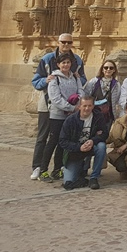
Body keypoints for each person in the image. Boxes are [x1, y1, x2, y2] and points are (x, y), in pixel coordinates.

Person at [30, 33, 86, 181]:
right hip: (49, 103)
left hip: (70, 108)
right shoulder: (47, 59)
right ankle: (38, 167)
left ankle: (57, 168)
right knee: (44, 137)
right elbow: (36, 81)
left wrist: (77, 100)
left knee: (62, 140)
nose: (66, 45)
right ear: (58, 42)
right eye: (63, 42)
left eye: (69, 42)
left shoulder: (77, 60)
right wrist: (45, 80)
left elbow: (82, 79)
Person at [40, 53, 84, 183]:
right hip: (57, 115)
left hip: (71, 116)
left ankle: (57, 169)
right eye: (63, 63)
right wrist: (71, 108)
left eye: (68, 62)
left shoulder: (75, 78)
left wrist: (77, 104)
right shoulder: (54, 79)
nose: (66, 65)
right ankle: (43, 170)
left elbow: (81, 91)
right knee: (52, 142)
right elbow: (55, 98)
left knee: (62, 143)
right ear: (58, 64)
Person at [58, 95, 108, 190]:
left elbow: (105, 133)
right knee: (69, 182)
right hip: (76, 150)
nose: (87, 108)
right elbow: (62, 141)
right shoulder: (70, 120)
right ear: (79, 106)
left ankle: (94, 177)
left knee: (101, 146)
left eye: (89, 106)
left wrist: (93, 140)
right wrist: (79, 147)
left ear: (93, 106)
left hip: (92, 146)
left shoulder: (98, 117)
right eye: (84, 106)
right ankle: (80, 170)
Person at [83, 60, 120, 125]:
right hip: (93, 114)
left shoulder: (116, 84)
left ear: (114, 70)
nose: (108, 69)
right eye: (106, 67)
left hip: (108, 116)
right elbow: (86, 95)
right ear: (102, 69)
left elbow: (116, 100)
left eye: (111, 68)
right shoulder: (94, 81)